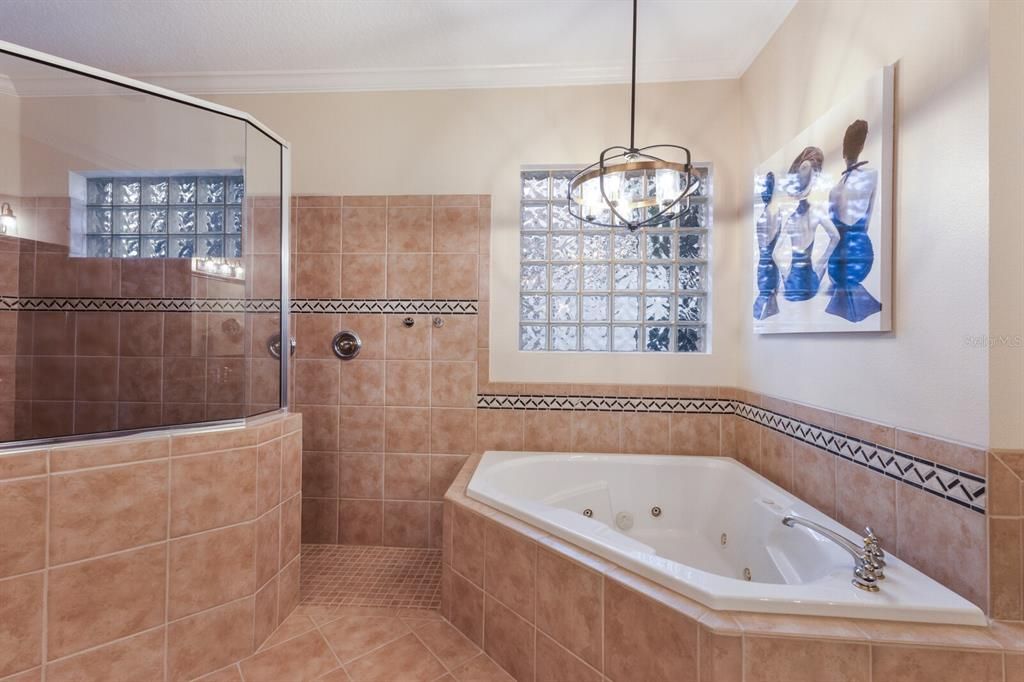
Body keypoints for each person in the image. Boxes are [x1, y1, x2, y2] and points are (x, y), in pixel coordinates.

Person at [825, 120, 883, 322]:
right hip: (861, 253)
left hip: (838, 260)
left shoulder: (834, 190)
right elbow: (867, 221)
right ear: (862, 146)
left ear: (843, 151)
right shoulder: (872, 176)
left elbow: (833, 231)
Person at [778, 147, 840, 302]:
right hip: (808, 285)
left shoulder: (791, 218)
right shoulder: (816, 212)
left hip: (792, 286)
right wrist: (821, 263)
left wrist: (785, 274)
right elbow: (836, 237)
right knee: (818, 271)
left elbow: (774, 253)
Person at [753, 171, 781, 319]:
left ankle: (765, 314)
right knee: (766, 296)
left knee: (767, 296)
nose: (763, 192)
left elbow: (773, 242)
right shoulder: (768, 211)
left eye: (766, 187)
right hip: (764, 262)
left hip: (768, 263)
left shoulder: (773, 211)